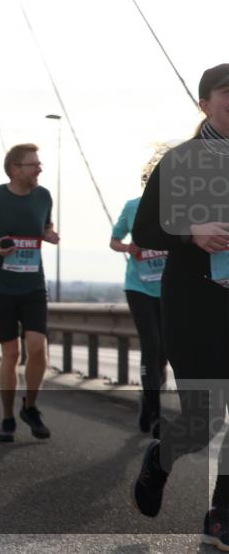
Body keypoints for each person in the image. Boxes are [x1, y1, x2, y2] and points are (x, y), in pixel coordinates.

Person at [131, 63, 229, 550]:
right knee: (204, 417)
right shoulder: (184, 160)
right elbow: (145, 231)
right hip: (195, 307)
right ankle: (159, 461)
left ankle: (221, 514)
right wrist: (193, 232)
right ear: (205, 103)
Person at [0, 143, 59, 442]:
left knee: (37, 348)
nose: (40, 169)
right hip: (0, 285)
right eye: (34, 164)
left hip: (33, 284)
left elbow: (45, 224)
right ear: (15, 169)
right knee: (12, 353)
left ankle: (30, 407)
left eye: (39, 163)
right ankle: (7, 417)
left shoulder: (44, 196)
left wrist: (49, 234)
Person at [109, 148, 169, 432]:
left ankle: (148, 403)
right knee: (152, 345)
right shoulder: (133, 206)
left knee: (165, 351)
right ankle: (156, 413)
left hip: (169, 288)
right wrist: (128, 247)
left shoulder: (179, 207)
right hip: (139, 287)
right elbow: (114, 240)